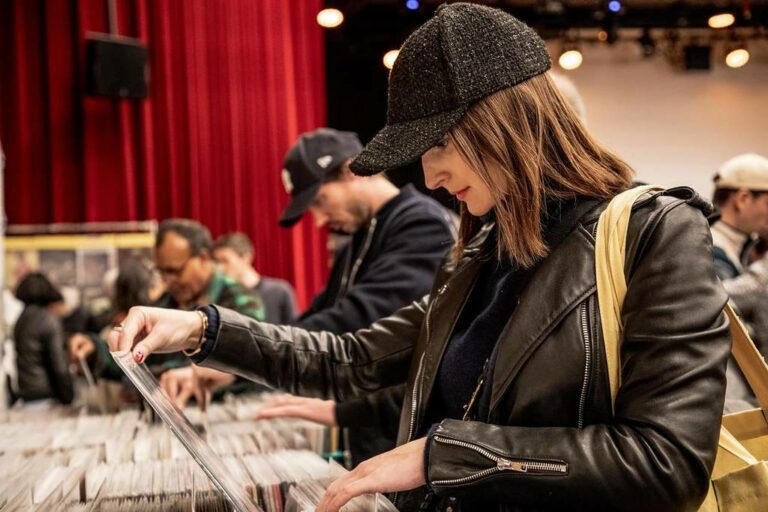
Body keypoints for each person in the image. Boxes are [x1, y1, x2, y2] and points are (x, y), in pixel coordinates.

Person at [109, 4, 730, 511]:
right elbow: (353, 359)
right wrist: (202, 329)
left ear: (502, 121)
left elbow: (667, 463)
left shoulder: (658, 232)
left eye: (436, 145)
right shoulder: (480, 254)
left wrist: (442, 455)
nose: (430, 176)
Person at [164, 128, 455, 465]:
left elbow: (355, 325)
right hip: (378, 441)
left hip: (411, 451)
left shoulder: (421, 225)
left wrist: (233, 351)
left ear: (350, 171)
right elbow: (316, 316)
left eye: (319, 201)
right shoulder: (362, 236)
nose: (318, 220)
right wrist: (235, 363)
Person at [709, 153, 768, 411]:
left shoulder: (740, 248)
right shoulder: (709, 247)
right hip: (728, 398)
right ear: (743, 199)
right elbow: (721, 309)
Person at [13, 272, 73, 405]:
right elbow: (59, 364)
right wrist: (68, 396)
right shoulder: (48, 319)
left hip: (27, 393)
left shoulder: (21, 319)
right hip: (47, 394)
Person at [213, 233, 297, 324]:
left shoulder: (279, 291)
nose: (220, 268)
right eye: (217, 262)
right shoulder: (220, 295)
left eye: (225, 261)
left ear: (246, 258)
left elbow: (295, 331)